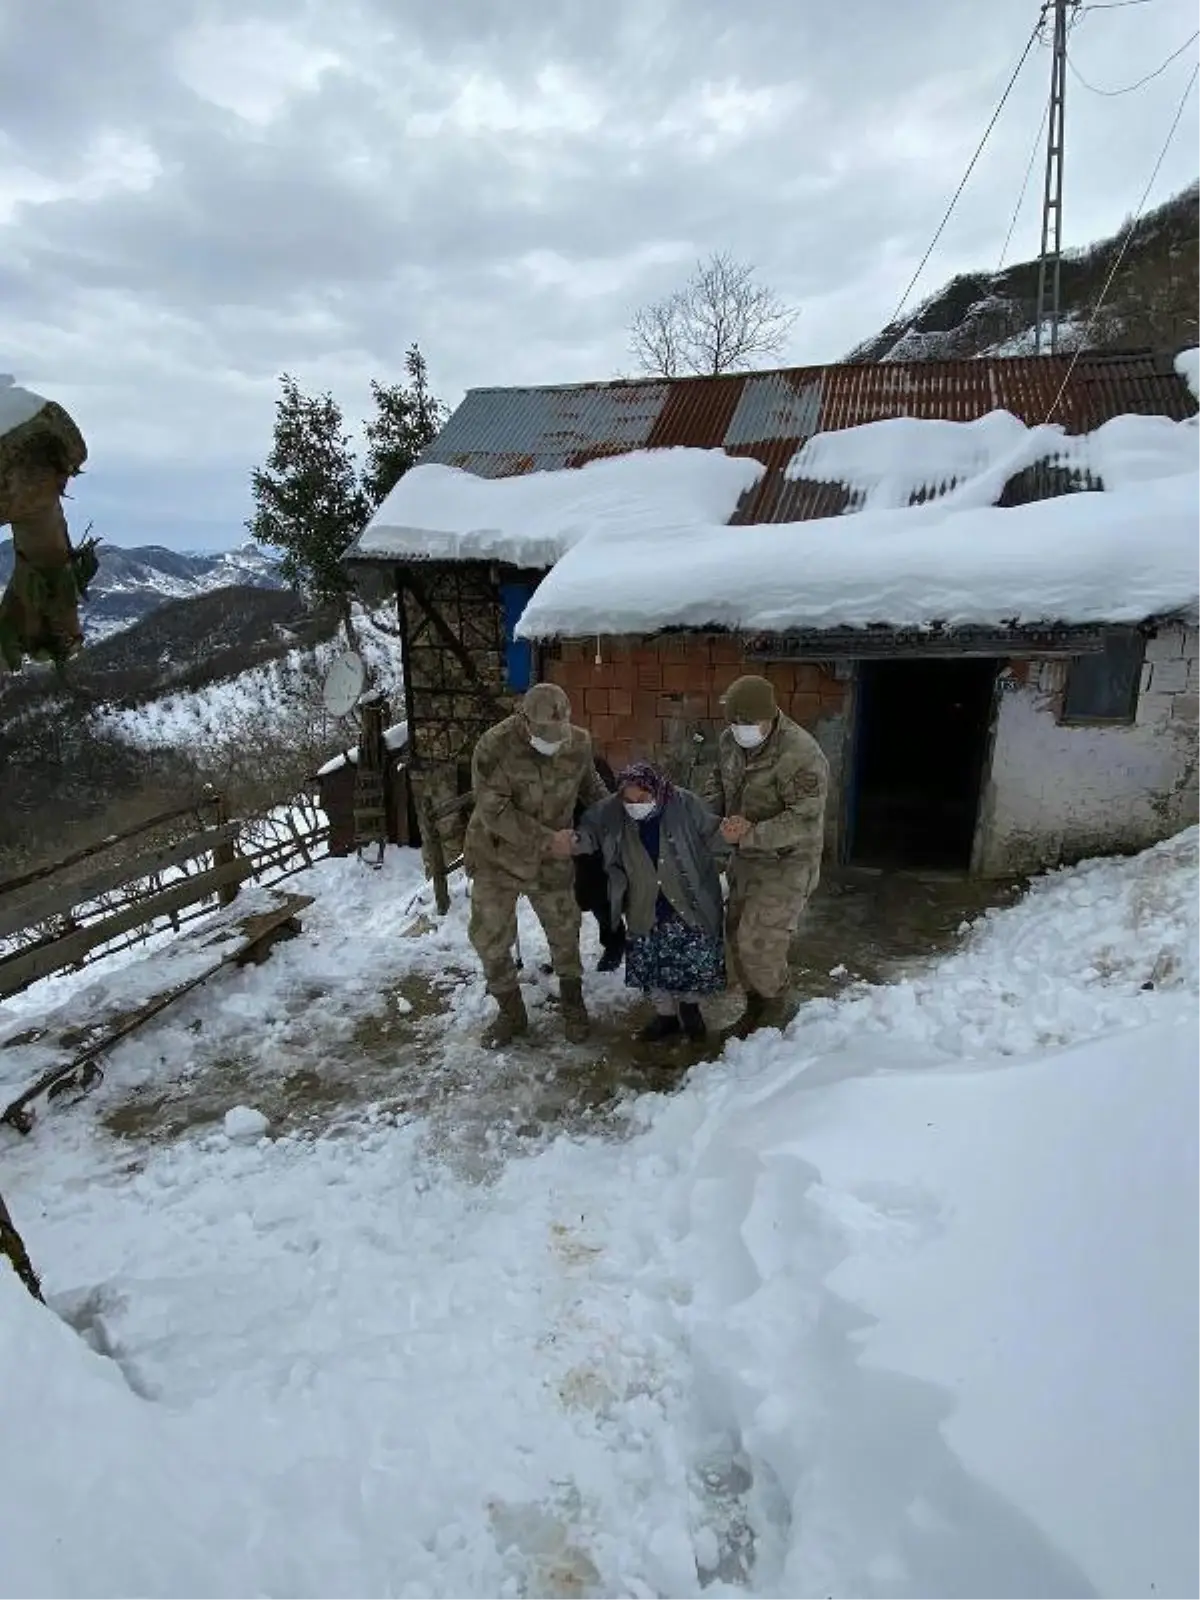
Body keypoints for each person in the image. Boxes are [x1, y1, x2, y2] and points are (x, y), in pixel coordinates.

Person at [465, 682, 609, 1048]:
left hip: (552, 861)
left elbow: (590, 788)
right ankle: (511, 1013)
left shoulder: (578, 743)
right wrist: (549, 839)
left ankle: (573, 1005)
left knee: (565, 930)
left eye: (559, 733)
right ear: (524, 720)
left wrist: (618, 817)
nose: (554, 741)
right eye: (545, 733)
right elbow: (494, 811)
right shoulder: (492, 747)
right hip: (496, 856)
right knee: (490, 938)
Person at [703, 674, 829, 1036]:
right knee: (735, 936)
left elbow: (804, 819)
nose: (739, 729)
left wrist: (750, 833)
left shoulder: (801, 754)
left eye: (747, 722)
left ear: (770, 716)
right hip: (746, 858)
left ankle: (777, 1007)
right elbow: (717, 778)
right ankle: (756, 1006)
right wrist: (711, 814)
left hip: (788, 861)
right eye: (733, 721)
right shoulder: (730, 740)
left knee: (759, 941)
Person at [576, 761, 728, 1043]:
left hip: (685, 900)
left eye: (642, 798)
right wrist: (573, 841)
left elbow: (712, 833)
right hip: (643, 905)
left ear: (656, 791)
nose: (635, 805)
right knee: (651, 964)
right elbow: (590, 831)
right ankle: (666, 1016)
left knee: (688, 961)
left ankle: (690, 1008)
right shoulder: (612, 811)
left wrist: (731, 835)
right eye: (628, 800)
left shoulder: (684, 803)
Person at [572, 756, 627, 971]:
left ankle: (615, 944)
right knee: (563, 907)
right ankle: (564, 955)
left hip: (592, 847)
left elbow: (604, 799)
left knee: (601, 901)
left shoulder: (590, 764)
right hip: (558, 845)